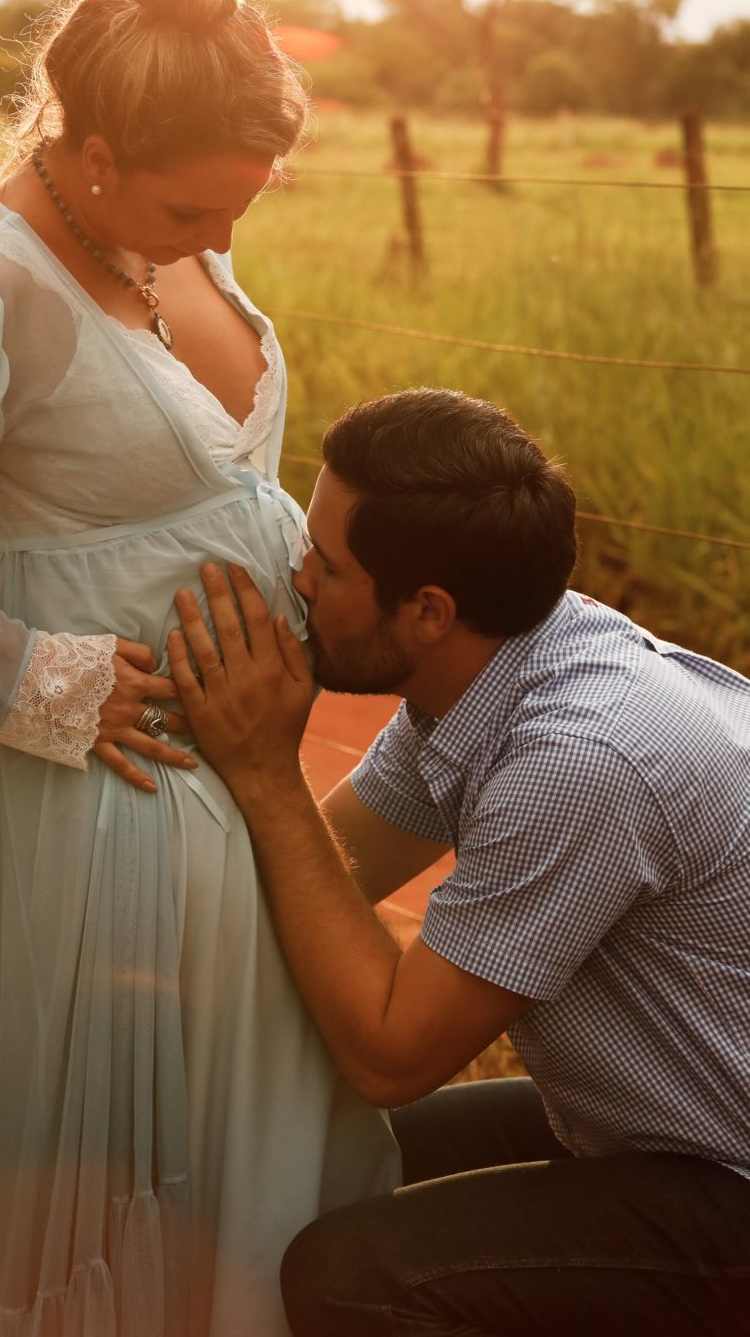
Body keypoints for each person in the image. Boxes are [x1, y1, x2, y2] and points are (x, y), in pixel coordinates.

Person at [0, 0, 400, 1337]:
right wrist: (37, 678)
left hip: (231, 785)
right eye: (197, 207)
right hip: (81, 802)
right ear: (98, 154)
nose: (222, 241)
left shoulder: (140, 231)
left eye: (243, 205)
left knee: (230, 1165)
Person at [168, 386, 750, 1335]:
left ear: (427, 610)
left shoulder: (580, 757)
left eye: (326, 564)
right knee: (320, 1154)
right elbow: (333, 874)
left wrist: (267, 773)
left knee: (353, 1276)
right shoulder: (493, 674)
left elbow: (392, 1055)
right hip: (655, 1129)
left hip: (726, 1176)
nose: (296, 577)